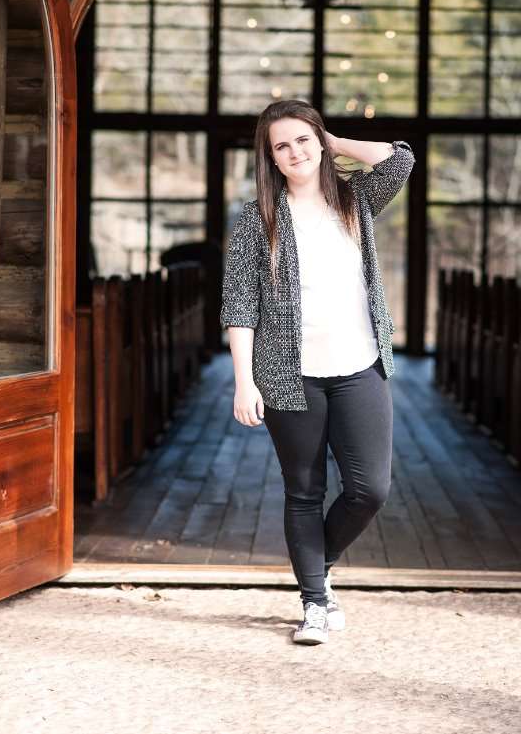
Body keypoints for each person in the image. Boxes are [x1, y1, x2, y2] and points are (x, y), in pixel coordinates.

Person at [220, 99, 415, 646]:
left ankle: (314, 565)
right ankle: (315, 601)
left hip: (360, 366)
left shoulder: (355, 199)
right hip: (288, 373)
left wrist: (330, 141)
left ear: (317, 140)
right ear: (270, 158)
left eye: (302, 139)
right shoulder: (256, 217)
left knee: (369, 489)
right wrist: (244, 381)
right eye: (281, 145)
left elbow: (399, 159)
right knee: (303, 492)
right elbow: (238, 305)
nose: (294, 152)